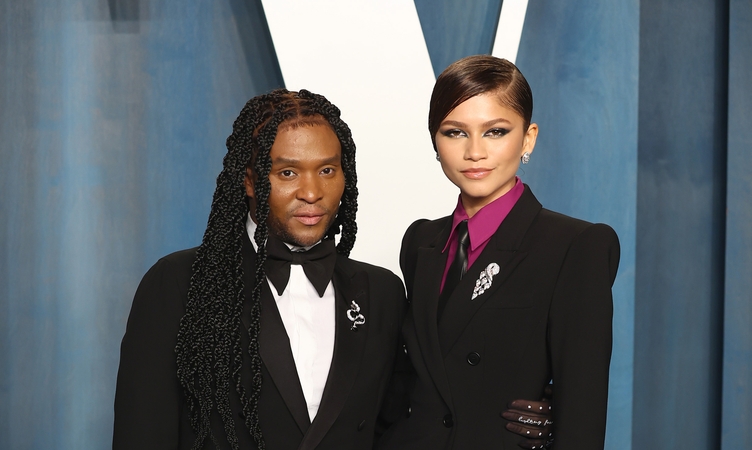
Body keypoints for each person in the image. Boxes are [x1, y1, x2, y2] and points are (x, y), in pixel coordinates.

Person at [113, 88, 553, 450]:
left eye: (327, 170)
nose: (312, 192)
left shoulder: (380, 292)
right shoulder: (181, 283)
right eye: (287, 173)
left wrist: (546, 415)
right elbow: (142, 434)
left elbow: (424, 408)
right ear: (248, 180)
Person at [376, 55, 620, 449]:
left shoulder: (575, 246)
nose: (475, 152)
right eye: (455, 132)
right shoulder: (421, 241)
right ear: (435, 140)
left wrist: (555, 422)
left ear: (528, 138)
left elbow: (583, 419)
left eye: (495, 131)